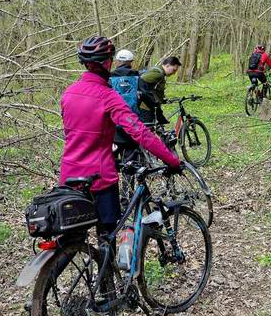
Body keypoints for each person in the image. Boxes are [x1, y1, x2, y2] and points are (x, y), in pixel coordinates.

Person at [61, 37, 181, 234]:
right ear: (108, 62)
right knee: (107, 235)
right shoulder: (108, 97)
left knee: (73, 236)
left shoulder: (68, 93)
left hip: (69, 177)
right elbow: (140, 132)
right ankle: (106, 264)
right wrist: (171, 159)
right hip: (100, 178)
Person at [110, 49, 140, 160]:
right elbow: (145, 96)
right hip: (132, 121)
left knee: (111, 157)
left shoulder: (109, 78)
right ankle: (130, 176)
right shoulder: (137, 78)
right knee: (131, 154)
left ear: (116, 61)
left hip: (113, 123)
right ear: (130, 62)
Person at [138, 56, 181, 126]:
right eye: (174, 70)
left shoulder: (159, 72)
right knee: (147, 132)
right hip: (146, 108)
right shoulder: (158, 74)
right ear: (167, 65)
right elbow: (141, 80)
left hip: (150, 107)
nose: (174, 73)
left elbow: (152, 88)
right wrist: (148, 97)